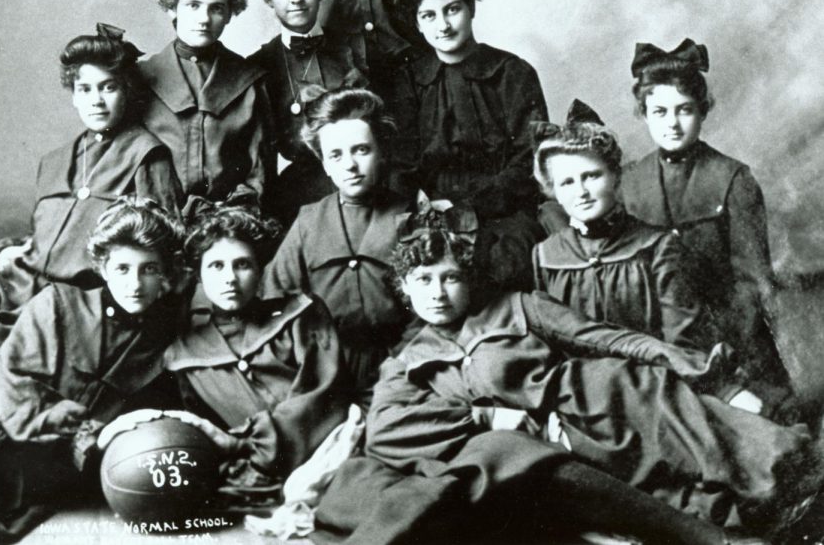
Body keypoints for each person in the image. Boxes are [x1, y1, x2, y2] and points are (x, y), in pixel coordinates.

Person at [314, 201, 821, 545]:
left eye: (450, 277)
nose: (438, 291)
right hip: (551, 447)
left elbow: (604, 338)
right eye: (423, 280)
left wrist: (698, 369)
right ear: (404, 288)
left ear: (469, 279)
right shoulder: (406, 363)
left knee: (704, 432)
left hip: (605, 400)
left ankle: (791, 487)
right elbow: (387, 433)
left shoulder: (518, 307)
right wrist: (486, 420)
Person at [0, 197, 184, 545]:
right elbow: (13, 377)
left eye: (148, 269)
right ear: (104, 269)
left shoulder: (162, 343)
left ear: (165, 274)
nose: (134, 283)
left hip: (48, 458)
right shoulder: (58, 303)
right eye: (122, 269)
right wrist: (87, 434)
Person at [0, 24, 182, 363]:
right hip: (18, 282)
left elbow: (163, 247)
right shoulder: (56, 161)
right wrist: (10, 250)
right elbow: (50, 236)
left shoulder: (147, 156)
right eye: (85, 89)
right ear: (73, 96)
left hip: (73, 301)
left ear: (127, 91)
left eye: (109, 88)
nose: (97, 100)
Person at [104, 200, 350, 510]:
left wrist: (250, 443)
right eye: (216, 266)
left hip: (333, 446)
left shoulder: (302, 314)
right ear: (198, 275)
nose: (230, 278)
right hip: (256, 470)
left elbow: (324, 396)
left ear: (260, 269)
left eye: (243, 264)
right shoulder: (184, 352)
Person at [620, 39, 792, 411]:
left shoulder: (732, 178)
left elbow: (752, 278)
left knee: (767, 420)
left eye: (684, 110)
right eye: (660, 111)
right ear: (644, 115)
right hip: (660, 331)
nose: (672, 123)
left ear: (702, 111)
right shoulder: (629, 184)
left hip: (730, 326)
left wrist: (736, 340)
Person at [388, 0, 549, 289]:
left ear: (471, 7)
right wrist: (428, 209)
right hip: (428, 212)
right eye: (428, 16)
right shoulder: (408, 81)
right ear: (416, 23)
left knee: (507, 265)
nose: (443, 25)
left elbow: (529, 159)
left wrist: (473, 207)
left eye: (452, 10)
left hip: (503, 211)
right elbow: (400, 162)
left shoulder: (513, 73)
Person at [262, 88, 411, 404]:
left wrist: (402, 364)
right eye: (336, 155)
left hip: (399, 366)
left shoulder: (410, 218)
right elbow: (274, 300)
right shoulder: (308, 222)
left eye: (361, 150)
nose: (350, 166)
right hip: (322, 370)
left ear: (381, 151)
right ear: (325, 165)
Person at [531, 99, 708, 349]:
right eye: (567, 183)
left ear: (615, 176)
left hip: (656, 380)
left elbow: (684, 344)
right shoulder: (546, 256)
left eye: (591, 176)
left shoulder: (657, 246)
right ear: (554, 192)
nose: (581, 192)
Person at [247, 0, 369, 225]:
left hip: (364, 196)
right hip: (296, 206)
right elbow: (259, 163)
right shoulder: (257, 68)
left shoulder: (359, 50)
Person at [140, 0, 268, 203]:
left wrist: (230, 219)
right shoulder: (141, 77)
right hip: (154, 222)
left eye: (217, 9)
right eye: (193, 6)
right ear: (172, 8)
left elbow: (258, 173)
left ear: (230, 14)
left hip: (227, 222)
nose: (204, 19)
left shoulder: (250, 81)